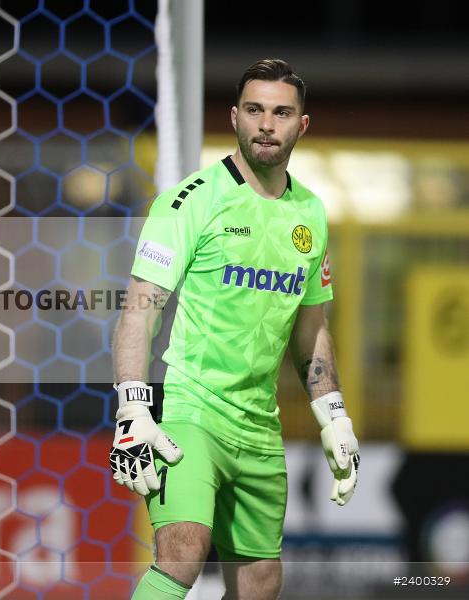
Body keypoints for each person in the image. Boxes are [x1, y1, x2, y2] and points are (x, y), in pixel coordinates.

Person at [108, 59, 360, 600]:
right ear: (234, 118)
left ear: (302, 125)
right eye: (254, 110)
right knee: (183, 550)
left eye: (281, 112)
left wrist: (334, 417)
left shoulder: (310, 214)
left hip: (259, 425)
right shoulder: (189, 201)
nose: (266, 124)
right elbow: (139, 310)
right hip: (190, 410)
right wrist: (132, 408)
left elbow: (310, 327)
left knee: (260, 583)